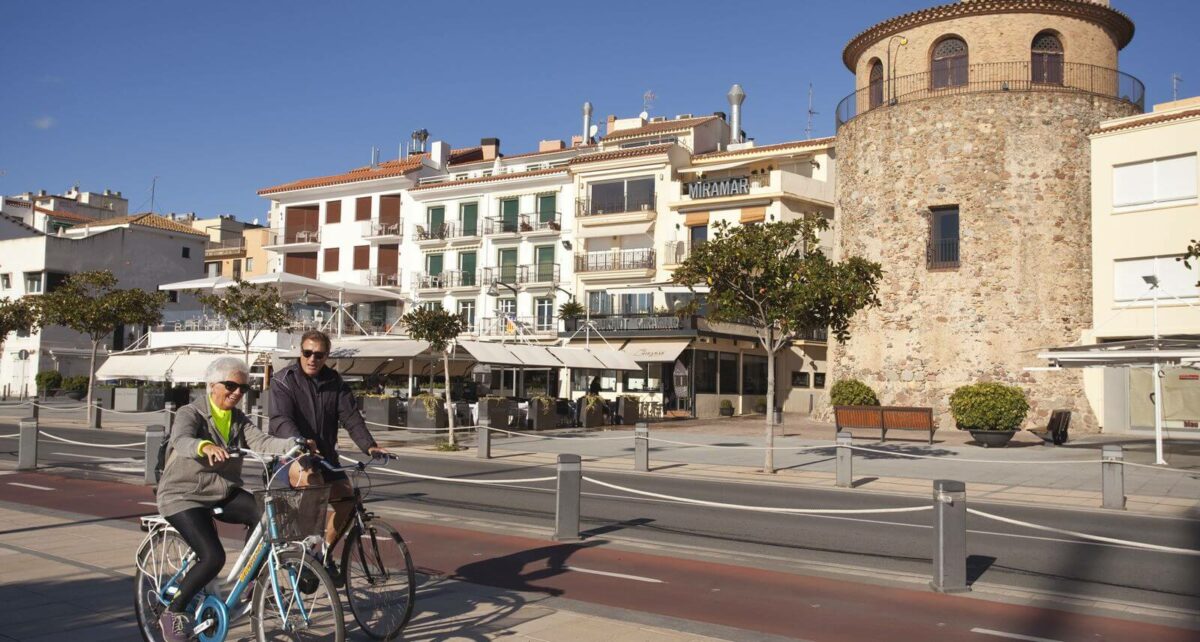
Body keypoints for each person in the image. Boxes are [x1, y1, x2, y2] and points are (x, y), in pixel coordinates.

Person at [154, 357, 304, 642]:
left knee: (268, 516)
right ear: (212, 385)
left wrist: (294, 443)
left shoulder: (238, 418)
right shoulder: (192, 413)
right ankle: (173, 613)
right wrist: (204, 445)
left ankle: (250, 584)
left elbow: (261, 442)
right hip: (183, 494)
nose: (237, 393)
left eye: (243, 389)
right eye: (231, 385)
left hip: (221, 490)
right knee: (212, 557)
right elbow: (181, 440)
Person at [269, 330, 389, 565]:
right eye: (308, 353)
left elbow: (351, 418)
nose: (313, 359)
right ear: (300, 353)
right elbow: (280, 420)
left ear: (326, 356)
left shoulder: (335, 382)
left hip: (326, 458)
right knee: (311, 480)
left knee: (348, 501)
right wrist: (298, 441)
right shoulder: (284, 380)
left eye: (319, 354)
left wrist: (370, 446)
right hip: (292, 455)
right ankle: (303, 548)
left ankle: (322, 555)